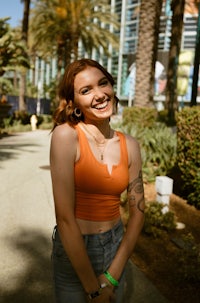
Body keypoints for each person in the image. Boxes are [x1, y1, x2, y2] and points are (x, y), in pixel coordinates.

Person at [50, 58, 145, 303]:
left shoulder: (131, 145)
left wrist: (111, 277)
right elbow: (64, 218)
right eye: (86, 90)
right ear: (75, 104)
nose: (99, 94)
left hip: (116, 247)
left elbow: (138, 214)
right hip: (74, 251)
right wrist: (94, 290)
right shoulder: (66, 137)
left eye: (103, 84)